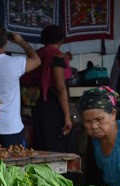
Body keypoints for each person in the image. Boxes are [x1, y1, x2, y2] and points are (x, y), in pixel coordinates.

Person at [28, 24, 73, 152]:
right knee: (56, 146)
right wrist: (67, 116)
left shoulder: (37, 55)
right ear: (61, 40)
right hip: (54, 106)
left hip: (39, 104)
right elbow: (60, 88)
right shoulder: (57, 57)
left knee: (41, 144)